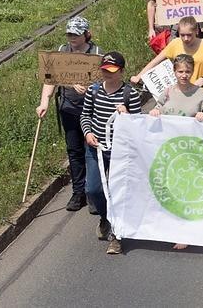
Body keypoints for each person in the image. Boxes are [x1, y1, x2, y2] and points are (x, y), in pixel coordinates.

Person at [36, 16, 102, 212]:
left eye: (76, 34)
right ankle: (78, 192)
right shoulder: (62, 52)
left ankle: (94, 193)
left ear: (86, 34)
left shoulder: (96, 54)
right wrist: (44, 102)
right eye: (69, 34)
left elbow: (104, 81)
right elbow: (50, 78)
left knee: (91, 149)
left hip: (92, 111)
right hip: (69, 109)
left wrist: (90, 87)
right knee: (74, 151)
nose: (72, 37)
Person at [80, 52, 142, 255]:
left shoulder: (130, 94)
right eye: (104, 70)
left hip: (119, 152)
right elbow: (85, 115)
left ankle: (117, 236)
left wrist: (127, 115)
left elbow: (138, 125)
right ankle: (106, 217)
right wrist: (88, 132)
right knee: (93, 189)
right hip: (95, 148)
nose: (107, 73)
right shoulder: (94, 91)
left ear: (122, 72)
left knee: (117, 194)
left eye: (112, 71)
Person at [132, 16, 203, 118]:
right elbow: (156, 61)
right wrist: (139, 76)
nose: (186, 39)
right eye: (182, 35)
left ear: (197, 31)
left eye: (189, 35)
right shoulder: (175, 43)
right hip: (183, 97)